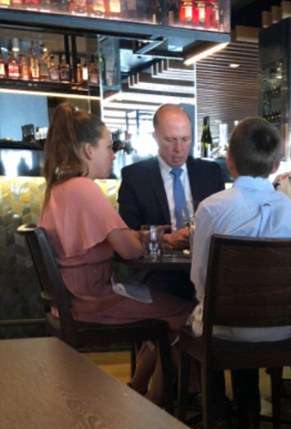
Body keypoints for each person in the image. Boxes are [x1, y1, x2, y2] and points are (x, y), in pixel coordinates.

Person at [39, 103, 194, 404]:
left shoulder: (61, 188)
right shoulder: (83, 189)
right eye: (108, 147)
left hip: (75, 298)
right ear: (88, 151)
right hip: (93, 300)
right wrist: (149, 240)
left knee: (167, 304)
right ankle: (159, 402)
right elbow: (129, 250)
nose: (113, 154)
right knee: (186, 312)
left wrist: (150, 238)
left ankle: (143, 390)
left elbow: (117, 238)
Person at [189, 117, 291, 429]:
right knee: (237, 313)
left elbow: (200, 278)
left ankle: (220, 418)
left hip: (229, 326)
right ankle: (249, 417)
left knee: (208, 314)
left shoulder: (212, 208)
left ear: (229, 160)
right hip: (284, 328)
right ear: (276, 164)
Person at [117, 104, 224, 250]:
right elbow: (127, 236)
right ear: (155, 137)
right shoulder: (135, 177)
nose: (178, 149)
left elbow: (221, 224)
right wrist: (164, 240)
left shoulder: (210, 172)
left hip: (203, 258)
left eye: (185, 139)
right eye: (170, 140)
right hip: (158, 261)